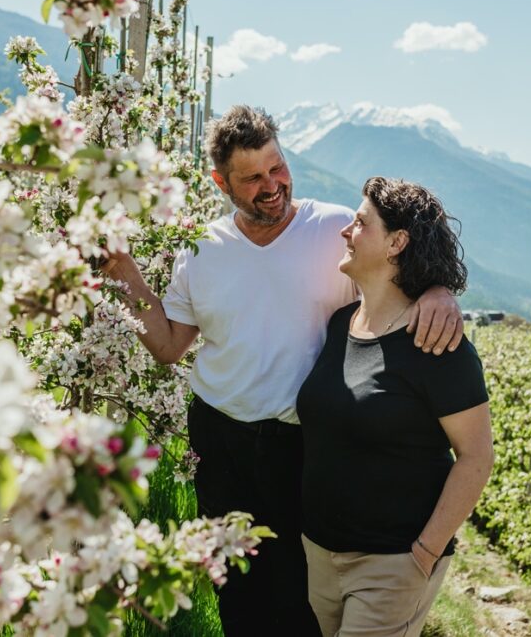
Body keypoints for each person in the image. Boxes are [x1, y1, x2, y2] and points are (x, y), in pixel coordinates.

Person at [102, 106, 465, 636]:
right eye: (252, 178)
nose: (272, 185)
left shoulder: (333, 230)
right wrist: (124, 271)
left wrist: (439, 291)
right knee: (236, 590)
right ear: (220, 182)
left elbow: (395, 270)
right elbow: (168, 345)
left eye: (277, 167)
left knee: (303, 595)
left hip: (308, 444)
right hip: (220, 437)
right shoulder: (200, 248)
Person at [296, 176, 494, 637]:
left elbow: (476, 456)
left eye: (361, 223)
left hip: (390, 566)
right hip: (319, 555)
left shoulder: (437, 344)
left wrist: (423, 555)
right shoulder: (341, 323)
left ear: (396, 243)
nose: (346, 231)